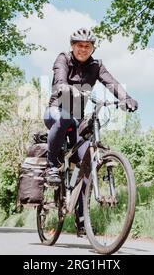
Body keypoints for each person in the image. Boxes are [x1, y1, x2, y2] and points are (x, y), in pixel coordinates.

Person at [43, 27, 138, 235]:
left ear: (93, 48)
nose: (83, 49)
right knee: (65, 116)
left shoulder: (97, 65)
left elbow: (112, 83)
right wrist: (62, 86)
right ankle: (52, 166)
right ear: (72, 46)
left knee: (88, 158)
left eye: (87, 46)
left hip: (76, 119)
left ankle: (81, 218)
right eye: (79, 46)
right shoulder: (63, 59)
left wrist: (126, 98)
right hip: (56, 112)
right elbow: (59, 78)